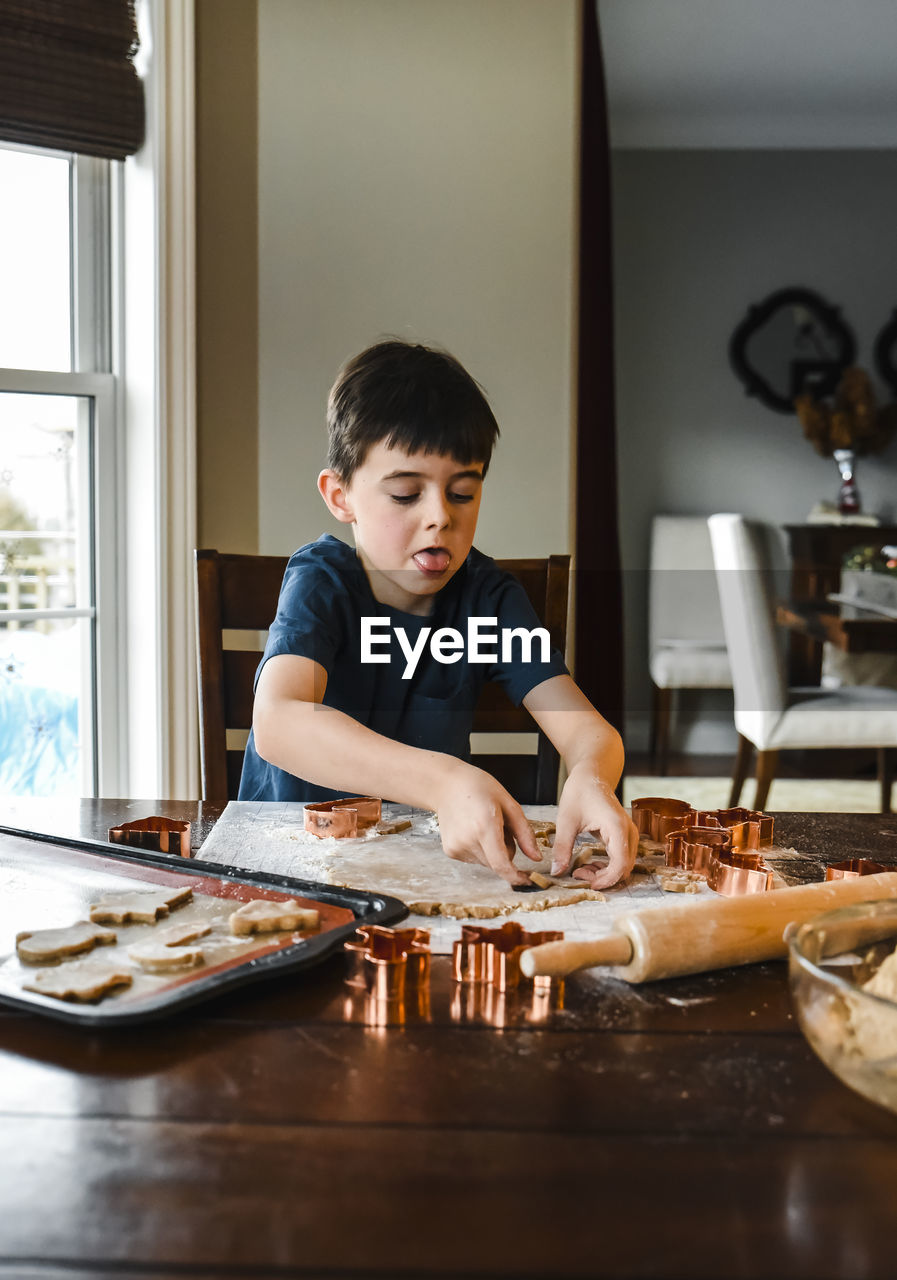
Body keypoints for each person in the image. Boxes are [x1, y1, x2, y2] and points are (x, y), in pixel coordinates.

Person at [239, 339, 637, 888]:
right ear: (341, 496)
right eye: (405, 494)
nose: (439, 518)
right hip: (291, 867)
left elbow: (590, 731)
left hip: (426, 869)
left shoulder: (489, 599)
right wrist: (443, 781)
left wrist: (592, 777)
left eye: (463, 493)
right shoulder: (321, 581)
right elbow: (279, 723)